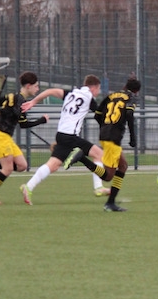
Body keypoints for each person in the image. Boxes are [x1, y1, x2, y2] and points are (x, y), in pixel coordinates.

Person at [18, 75, 102, 205]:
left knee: (53, 165)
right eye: (98, 89)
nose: (99, 92)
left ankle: (28, 186)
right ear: (94, 87)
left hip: (61, 135)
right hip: (71, 136)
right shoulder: (89, 98)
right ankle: (98, 188)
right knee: (99, 154)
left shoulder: (71, 93)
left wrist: (33, 102)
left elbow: (50, 91)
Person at [0, 71, 50, 204]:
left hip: (6, 137)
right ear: (28, 86)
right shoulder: (19, 101)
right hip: (0, 136)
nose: (37, 89)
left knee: (22, 165)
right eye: (36, 86)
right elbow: (23, 124)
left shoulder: (16, 98)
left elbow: (1, 100)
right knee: (7, 169)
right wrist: (41, 120)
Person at [71, 78, 141, 212]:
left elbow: (97, 115)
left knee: (123, 166)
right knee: (108, 176)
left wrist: (105, 127)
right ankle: (82, 158)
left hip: (105, 134)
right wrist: (133, 137)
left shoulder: (111, 95)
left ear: (125, 85)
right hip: (113, 138)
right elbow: (129, 114)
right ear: (136, 91)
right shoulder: (131, 97)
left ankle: (110, 203)